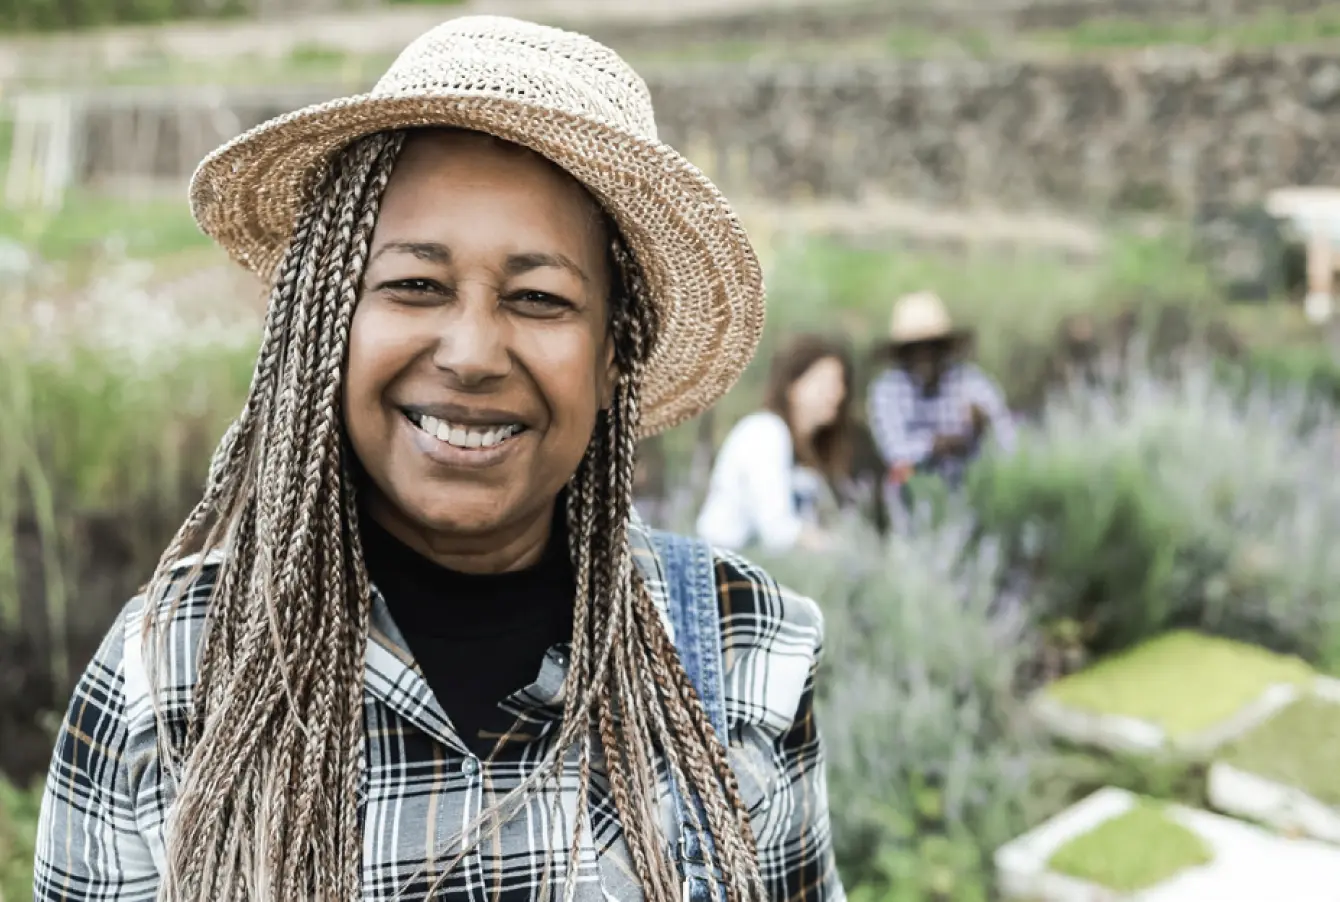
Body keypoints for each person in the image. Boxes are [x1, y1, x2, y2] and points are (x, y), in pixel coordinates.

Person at [33, 17, 844, 902]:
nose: (470, 354)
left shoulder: (740, 648)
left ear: (614, 356)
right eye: (415, 285)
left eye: (539, 298)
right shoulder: (172, 671)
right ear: (328, 324)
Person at [696, 334, 856, 553]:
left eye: (840, 383)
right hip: (722, 567)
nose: (838, 393)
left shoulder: (804, 447)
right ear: (792, 386)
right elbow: (777, 531)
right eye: (825, 382)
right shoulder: (766, 432)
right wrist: (838, 548)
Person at [867, 291, 1014, 500]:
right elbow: (895, 452)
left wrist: (984, 429)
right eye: (915, 348)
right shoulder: (887, 389)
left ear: (945, 348)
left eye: (932, 346)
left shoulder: (972, 382)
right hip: (915, 489)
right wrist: (937, 444)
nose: (924, 356)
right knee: (899, 475)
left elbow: (1008, 443)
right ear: (903, 353)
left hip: (972, 487)